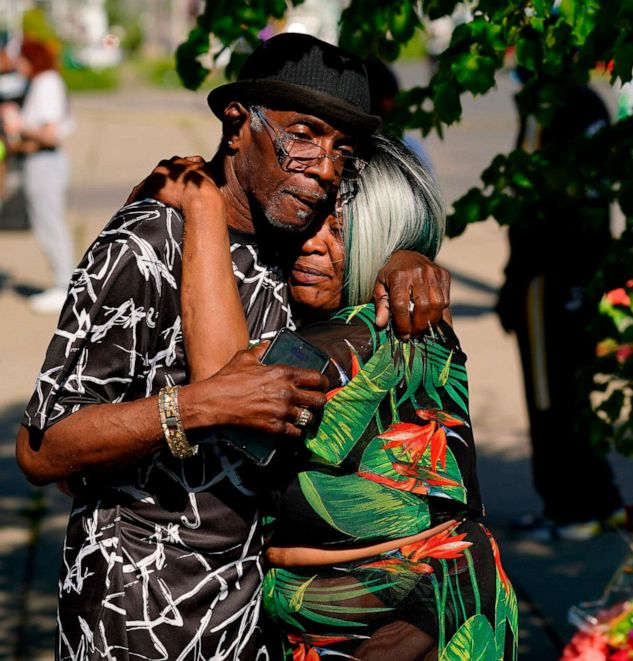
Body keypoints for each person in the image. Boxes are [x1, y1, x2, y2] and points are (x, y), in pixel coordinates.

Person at [16, 34, 450, 660]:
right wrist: (196, 406)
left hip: (251, 616)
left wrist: (407, 255)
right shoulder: (145, 247)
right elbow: (41, 449)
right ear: (238, 124)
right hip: (134, 613)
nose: (325, 169)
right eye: (304, 134)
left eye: (341, 151)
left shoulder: (296, 243)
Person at [175, 132, 516, 659]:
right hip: (419, 608)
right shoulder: (415, 315)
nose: (312, 245)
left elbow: (224, 391)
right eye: (309, 224)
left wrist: (201, 207)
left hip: (409, 622)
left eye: (340, 232)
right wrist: (405, 252)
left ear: (380, 240)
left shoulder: (356, 338)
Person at [498, 80, 626, 541]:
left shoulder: (548, 100)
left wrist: (515, 278)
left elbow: (528, 194)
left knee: (550, 393)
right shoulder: (591, 100)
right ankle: (600, 495)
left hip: (548, 273)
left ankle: (569, 507)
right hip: (585, 268)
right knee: (575, 388)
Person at [2, 38, 74, 313]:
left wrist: (19, 124)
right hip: (38, 163)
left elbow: (50, 133)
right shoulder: (40, 83)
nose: (16, 65)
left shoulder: (47, 83)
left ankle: (63, 285)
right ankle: (62, 283)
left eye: (19, 58)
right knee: (47, 224)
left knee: (50, 226)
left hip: (46, 164)